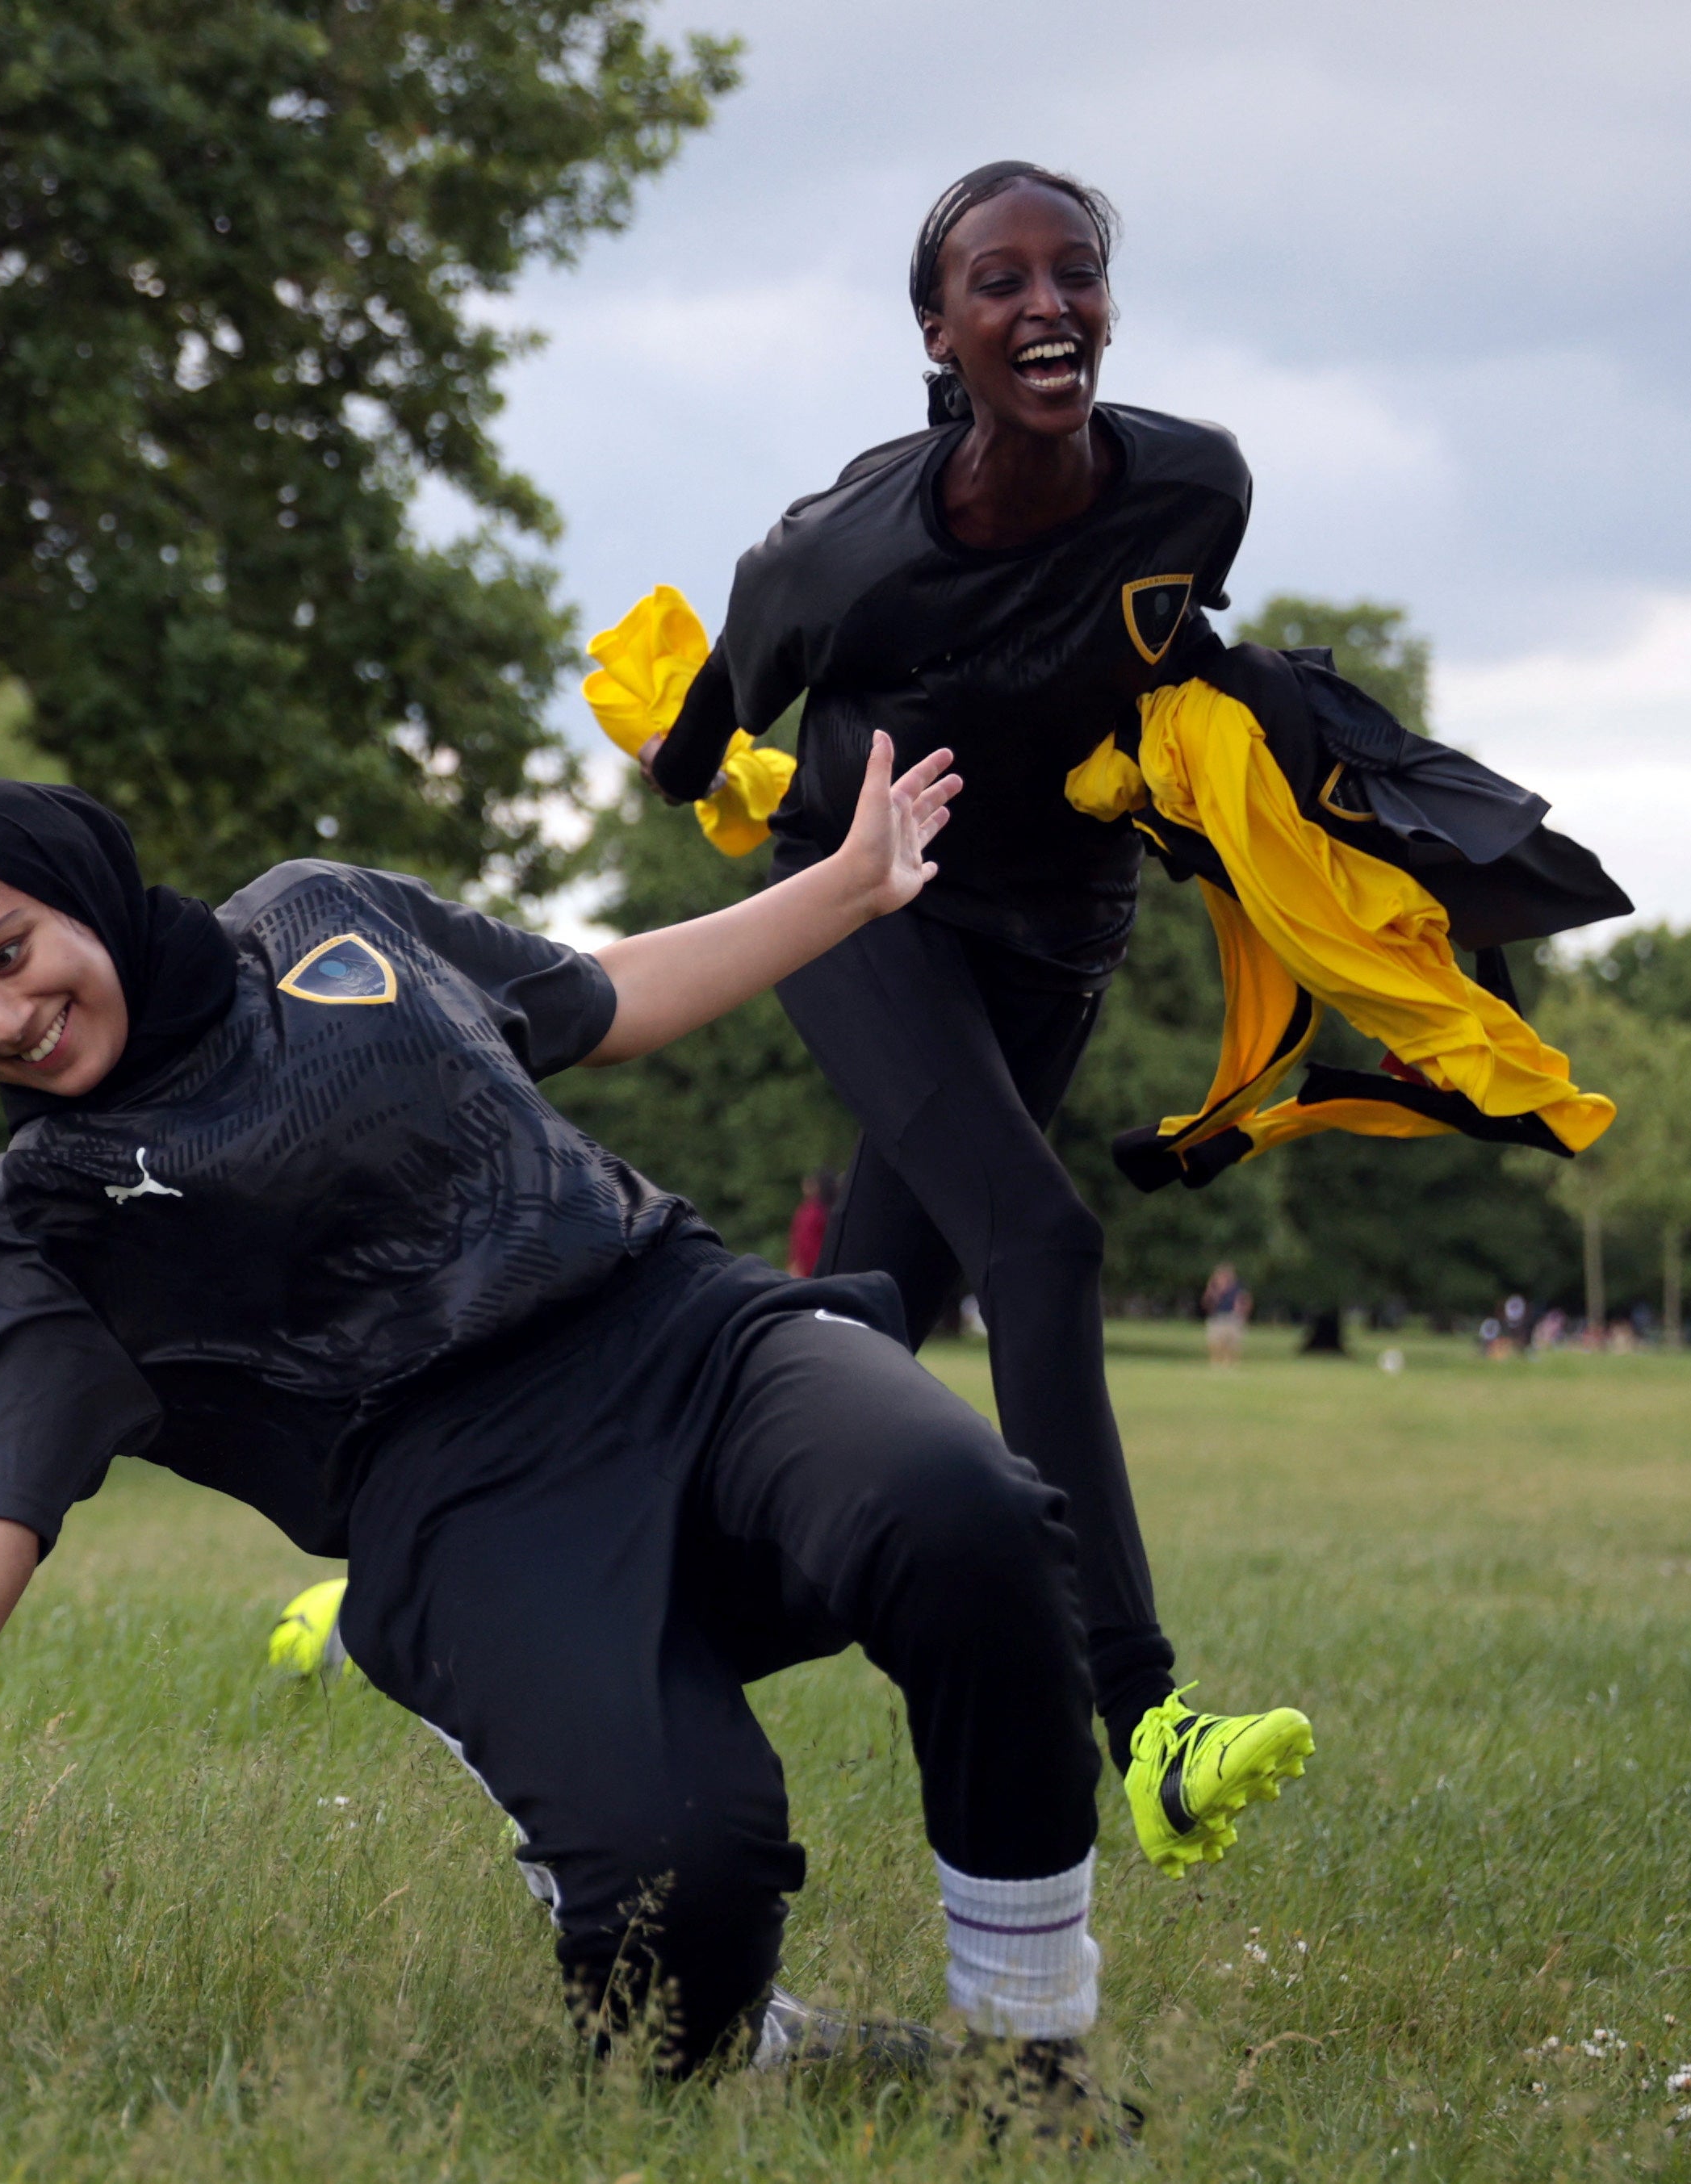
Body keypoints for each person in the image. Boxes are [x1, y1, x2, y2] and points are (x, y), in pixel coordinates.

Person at [0, 751, 1134, 2128]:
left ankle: (1026, 2061)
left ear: (83, 886)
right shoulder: (44, 1216)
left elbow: (589, 997)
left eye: (7, 953)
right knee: (669, 1952)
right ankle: (746, 2029)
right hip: (462, 1503)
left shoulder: (325, 913)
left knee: (964, 1511)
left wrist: (840, 888)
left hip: (676, 1332)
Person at [631, 160, 1310, 1873]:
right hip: (861, 898)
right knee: (1043, 1241)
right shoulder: (835, 550)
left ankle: (572, 1598)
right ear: (939, 334)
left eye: (1071, 274)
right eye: (997, 284)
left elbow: (1169, 666)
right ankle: (1148, 1715)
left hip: (1057, 939)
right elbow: (703, 738)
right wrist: (738, 785)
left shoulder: (1196, 488)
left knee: (854, 1334)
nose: (1045, 306)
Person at [785, 1169, 835, 1279]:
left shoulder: (821, 1211)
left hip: (818, 1269)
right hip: (804, 1270)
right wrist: (794, 1263)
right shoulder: (806, 1209)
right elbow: (796, 1239)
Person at [1201, 1262, 1249, 1367]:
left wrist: (1243, 1313)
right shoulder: (1213, 1287)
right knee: (1215, 1342)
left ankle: (1230, 1363)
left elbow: (1244, 1300)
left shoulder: (1238, 1287)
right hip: (1217, 1316)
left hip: (1232, 1316)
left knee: (1232, 1343)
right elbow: (1206, 1302)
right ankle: (1216, 1362)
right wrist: (1213, 1291)